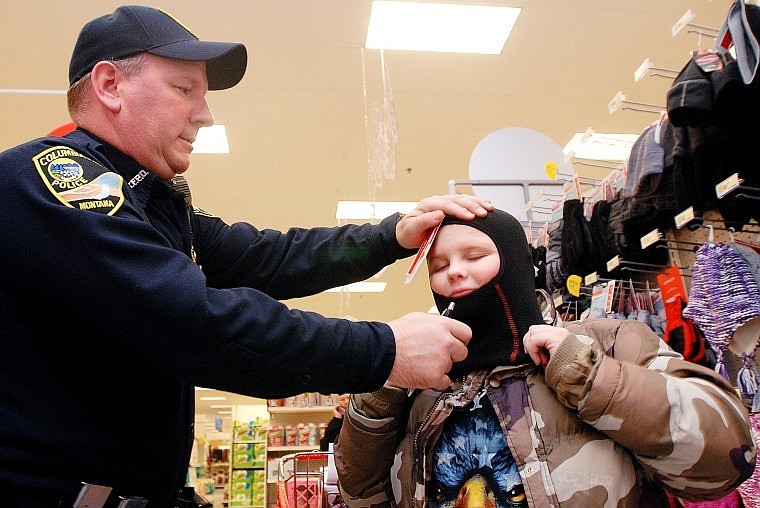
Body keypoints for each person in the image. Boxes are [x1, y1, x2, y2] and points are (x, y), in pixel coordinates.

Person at [0, 5, 494, 507]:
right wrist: (383, 349)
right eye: (183, 89)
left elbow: (267, 257)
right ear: (110, 86)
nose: (205, 113)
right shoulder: (49, 183)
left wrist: (392, 236)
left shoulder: (151, 206)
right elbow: (192, 322)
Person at [334, 209, 756, 507]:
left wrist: (588, 377)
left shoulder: (605, 341)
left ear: (516, 262)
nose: (454, 272)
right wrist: (381, 388)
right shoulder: (424, 380)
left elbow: (725, 458)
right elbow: (358, 493)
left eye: (475, 256)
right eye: (439, 265)